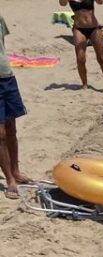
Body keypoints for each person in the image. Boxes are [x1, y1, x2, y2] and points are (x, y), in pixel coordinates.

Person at [0, 12, 31, 201]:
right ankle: (10, 180)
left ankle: (16, 171)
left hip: (7, 78)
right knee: (0, 135)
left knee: (11, 129)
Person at [59, 0, 103, 93]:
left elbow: (100, 2)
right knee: (80, 59)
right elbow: (62, 4)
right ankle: (84, 84)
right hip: (78, 29)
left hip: (94, 28)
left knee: (101, 58)